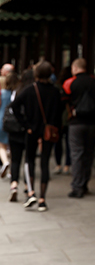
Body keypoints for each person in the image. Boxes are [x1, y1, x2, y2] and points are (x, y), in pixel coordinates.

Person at [11, 61, 62, 211]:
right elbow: (59, 113)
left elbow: (14, 107)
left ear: (36, 73)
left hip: (32, 131)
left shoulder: (30, 90)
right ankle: (42, 199)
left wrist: (26, 125)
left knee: (29, 160)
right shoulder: (55, 91)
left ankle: (31, 192)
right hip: (48, 131)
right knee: (45, 162)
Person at [62, 58, 95, 198]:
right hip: (93, 122)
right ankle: (84, 184)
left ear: (75, 68)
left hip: (76, 122)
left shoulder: (70, 82)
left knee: (77, 154)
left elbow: (63, 100)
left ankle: (77, 187)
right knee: (89, 153)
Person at [7, 69, 34, 202]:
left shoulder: (16, 91)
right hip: (28, 131)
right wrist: (27, 124)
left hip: (15, 129)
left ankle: (14, 185)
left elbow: (12, 107)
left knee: (15, 159)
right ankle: (28, 187)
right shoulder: (33, 91)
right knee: (28, 160)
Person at [53, 66, 73, 175]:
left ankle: (58, 164)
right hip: (69, 118)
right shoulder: (72, 86)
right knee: (69, 143)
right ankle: (67, 165)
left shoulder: (57, 87)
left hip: (58, 118)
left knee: (58, 142)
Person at [0, 71, 14, 178]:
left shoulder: (2, 94)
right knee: (12, 145)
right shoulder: (14, 93)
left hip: (1, 119)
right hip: (13, 120)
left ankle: (5, 162)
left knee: (1, 145)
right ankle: (12, 171)